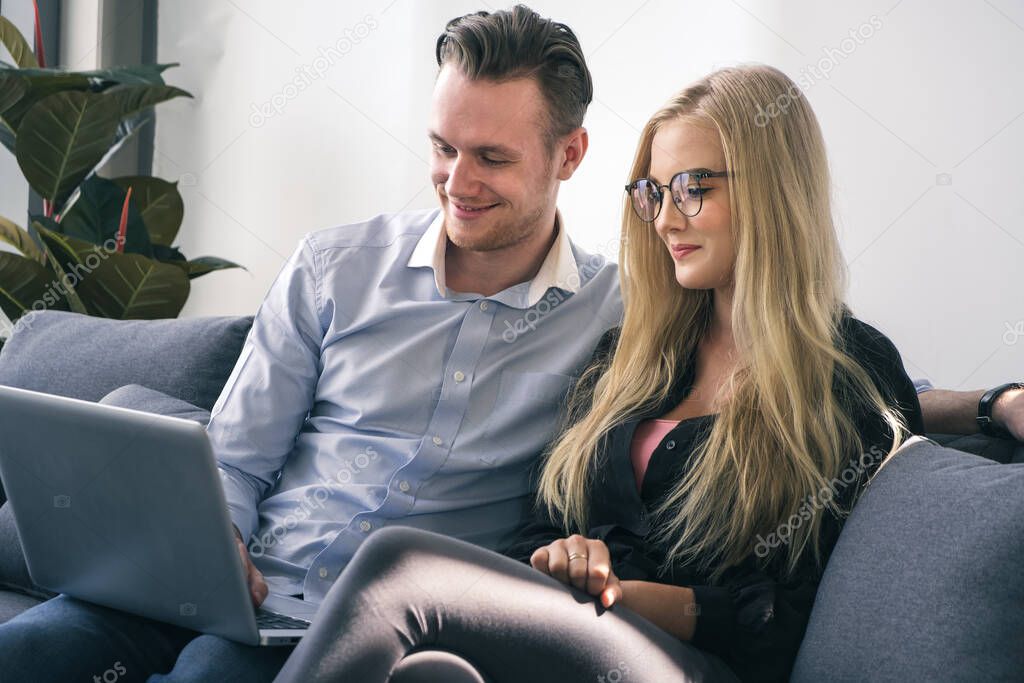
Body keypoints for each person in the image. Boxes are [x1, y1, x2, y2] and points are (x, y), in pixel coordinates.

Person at [0, 6, 622, 682]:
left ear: (570, 153)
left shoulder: (615, 315)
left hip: (354, 632)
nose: (457, 182)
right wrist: (224, 542)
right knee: (27, 651)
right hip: (225, 586)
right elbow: (237, 460)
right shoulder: (336, 266)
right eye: (444, 147)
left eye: (492, 158)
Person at [273, 64, 927, 683]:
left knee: (399, 561)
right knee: (431, 674)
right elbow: (540, 520)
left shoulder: (849, 373)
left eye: (695, 189)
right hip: (581, 629)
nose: (667, 219)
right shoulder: (630, 356)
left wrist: (639, 597)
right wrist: (564, 556)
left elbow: (789, 615)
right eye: (654, 192)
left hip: (690, 663)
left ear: (770, 191)